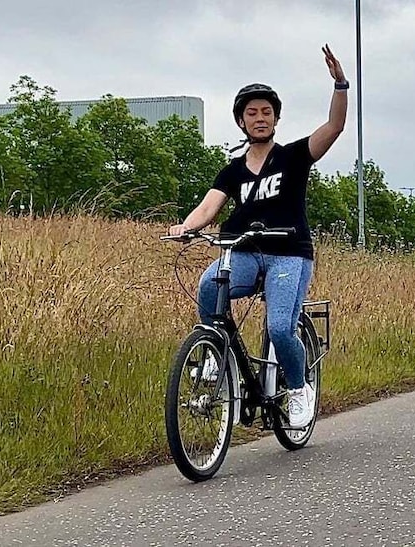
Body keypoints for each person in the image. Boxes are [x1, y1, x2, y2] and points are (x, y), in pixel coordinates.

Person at [168, 45, 348, 428]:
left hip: (288, 253)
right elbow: (208, 207)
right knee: (206, 288)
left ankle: (299, 389)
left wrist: (340, 84)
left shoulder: (294, 157)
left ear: (276, 118)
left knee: (281, 327)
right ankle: (217, 359)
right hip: (245, 252)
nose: (260, 118)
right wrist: (186, 227)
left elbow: (334, 128)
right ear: (241, 122)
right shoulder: (232, 170)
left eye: (266, 112)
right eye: (252, 113)